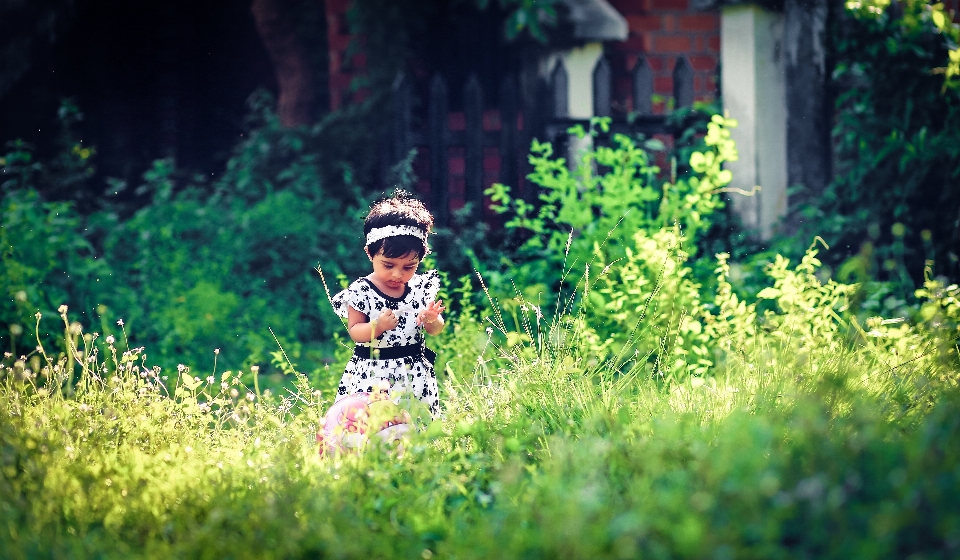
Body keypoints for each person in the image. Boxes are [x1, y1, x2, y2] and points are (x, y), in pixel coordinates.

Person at [330, 191, 445, 417]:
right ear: (370, 254)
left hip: (413, 373)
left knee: (412, 425)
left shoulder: (420, 289)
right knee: (373, 425)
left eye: (409, 267)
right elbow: (355, 331)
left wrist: (432, 319)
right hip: (373, 374)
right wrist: (378, 326)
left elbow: (435, 330)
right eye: (388, 264)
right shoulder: (362, 291)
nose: (397, 274)